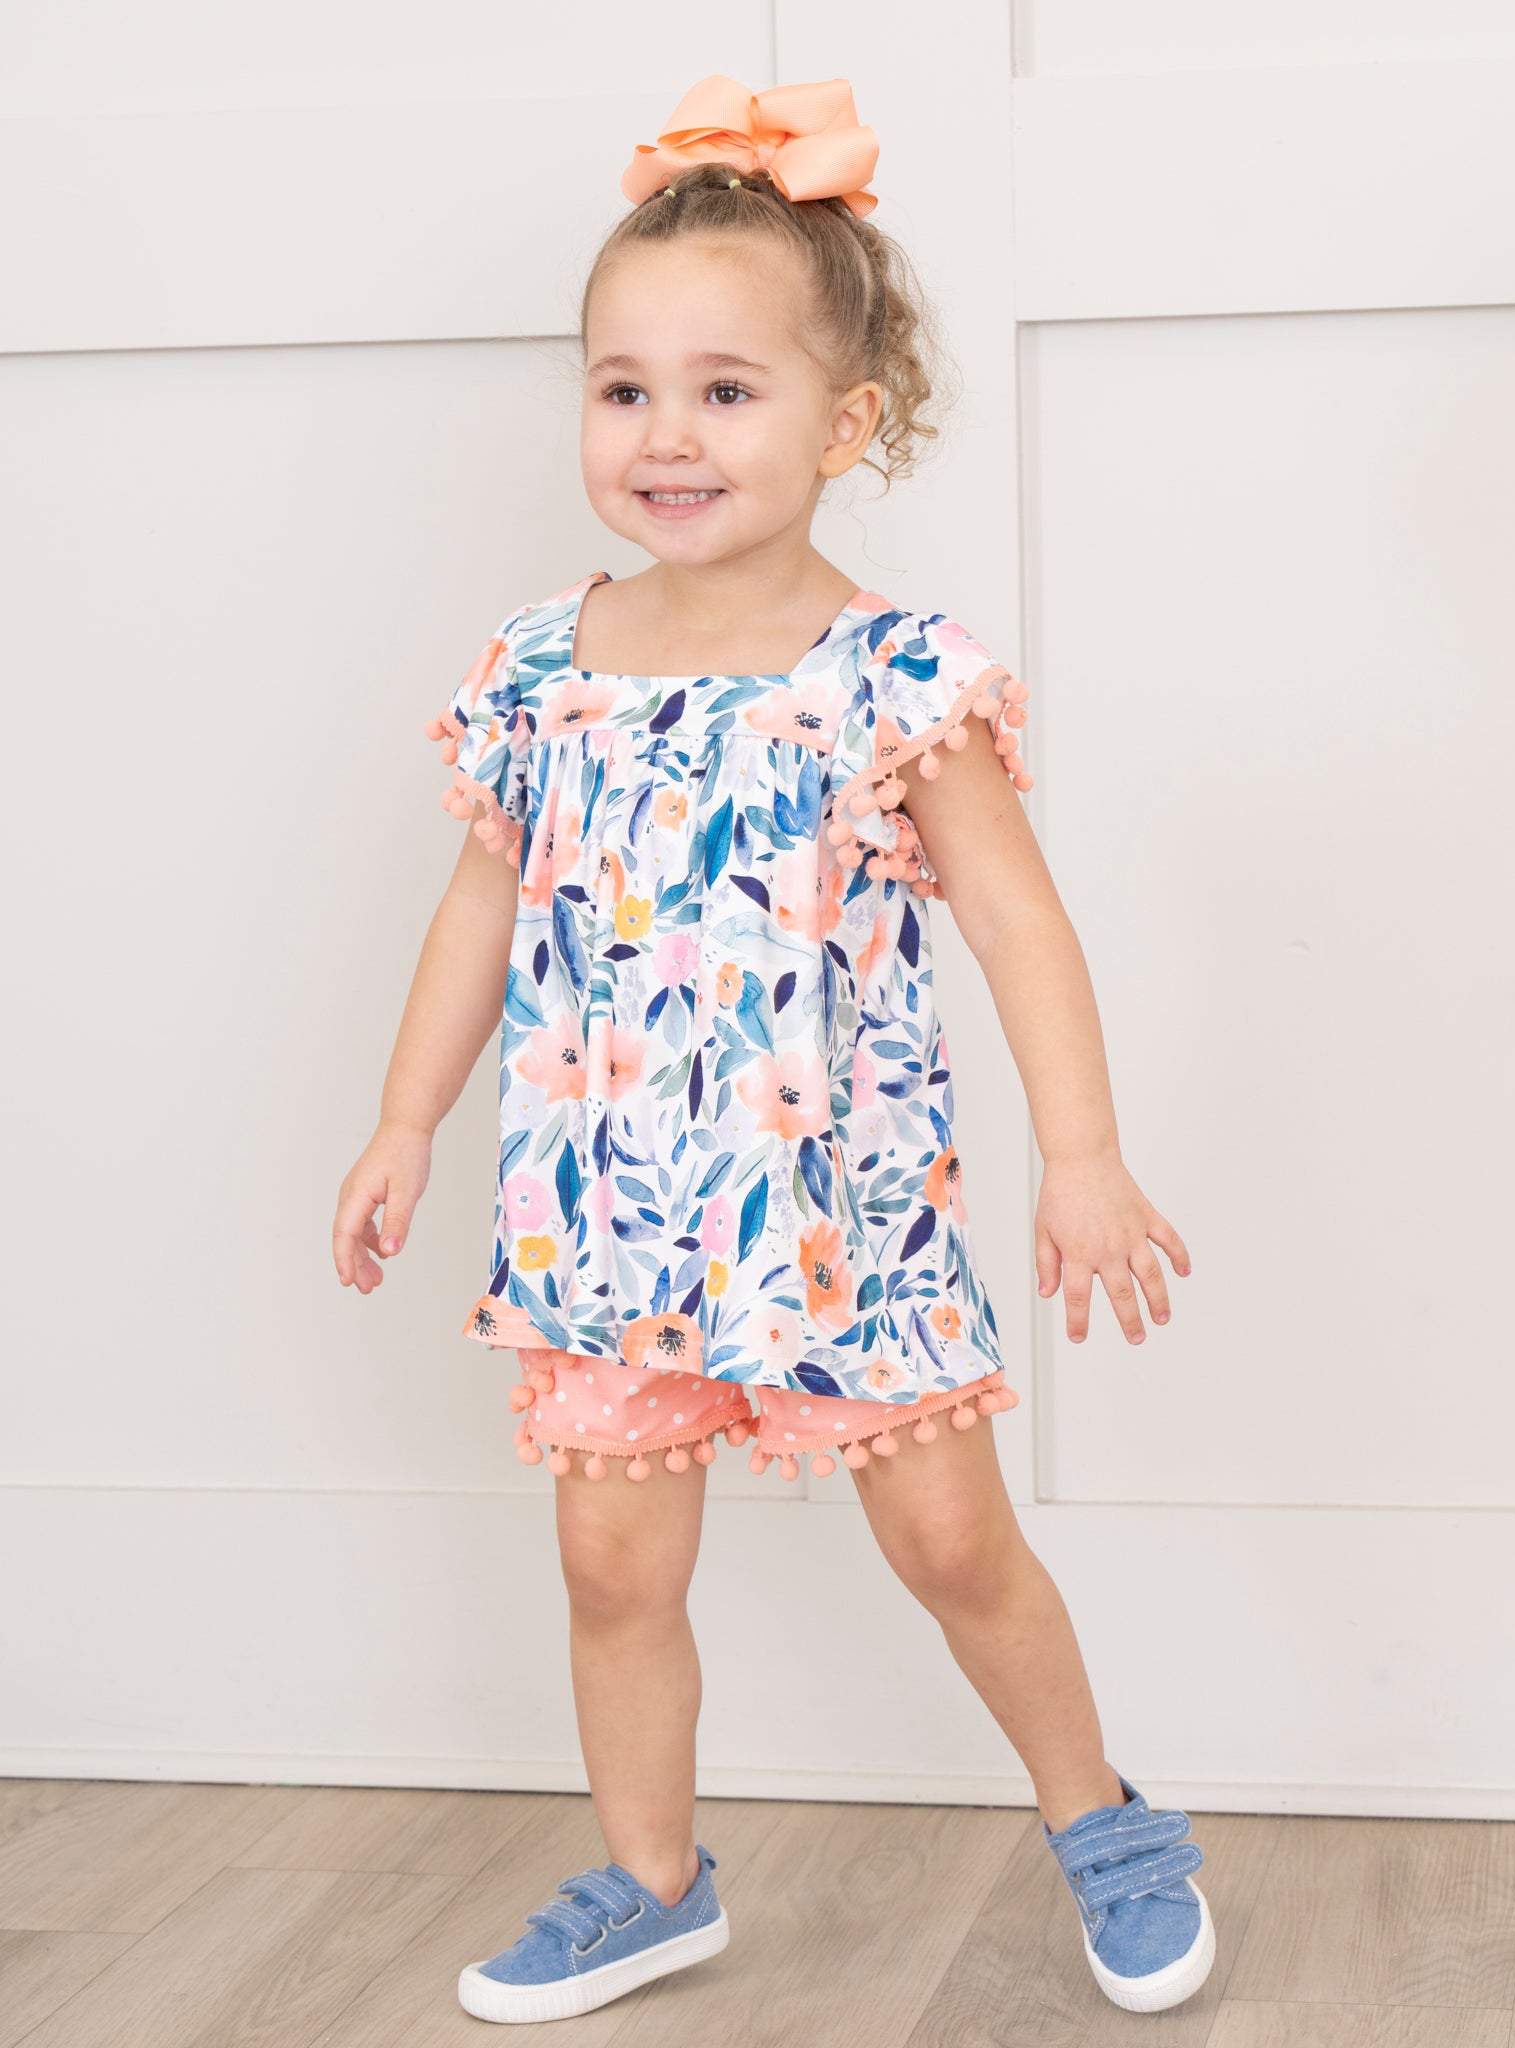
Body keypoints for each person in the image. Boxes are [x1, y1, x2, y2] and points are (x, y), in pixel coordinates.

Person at [333, 72, 1213, 2029]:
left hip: (840, 1213)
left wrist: (1083, 1155)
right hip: (606, 1213)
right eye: (623, 387)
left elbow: (1020, 922)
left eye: (725, 389)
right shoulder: (540, 669)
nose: (666, 433)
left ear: (849, 422)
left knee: (954, 1542)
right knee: (611, 1569)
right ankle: (652, 1881)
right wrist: (406, 1118)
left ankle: (1104, 1818)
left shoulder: (894, 679)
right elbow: (479, 907)